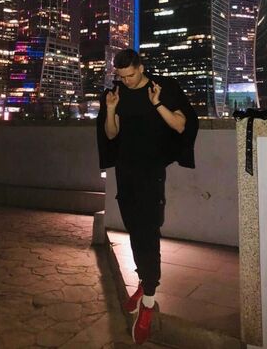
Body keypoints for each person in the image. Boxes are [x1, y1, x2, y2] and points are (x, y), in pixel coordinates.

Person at [97, 48, 198, 344]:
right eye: (121, 76)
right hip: (125, 172)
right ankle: (145, 280)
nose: (126, 81)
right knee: (134, 230)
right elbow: (111, 135)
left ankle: (149, 301)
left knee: (149, 230)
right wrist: (111, 109)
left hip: (151, 171)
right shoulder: (115, 94)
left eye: (130, 75)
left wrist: (157, 104)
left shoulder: (162, 88)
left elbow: (181, 124)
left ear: (141, 67)